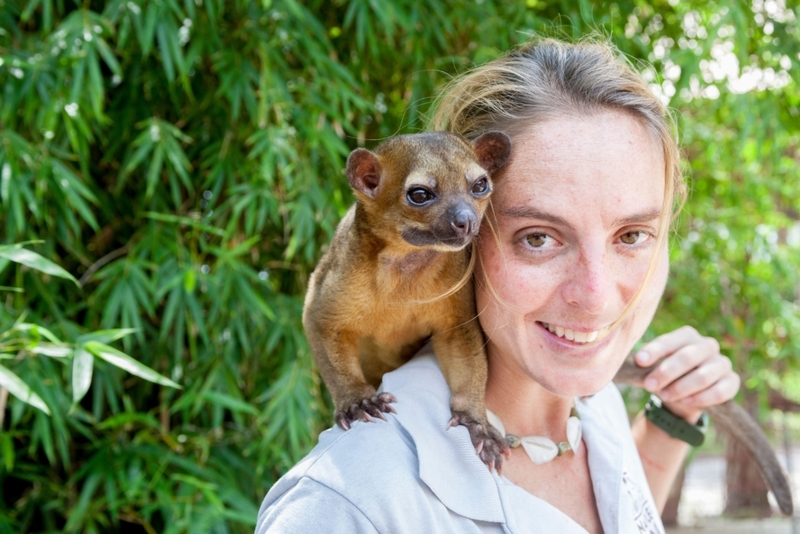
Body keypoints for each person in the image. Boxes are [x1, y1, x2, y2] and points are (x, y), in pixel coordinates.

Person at [255, 37, 740, 533]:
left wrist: (674, 419)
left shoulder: (594, 406)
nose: (594, 296)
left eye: (633, 235)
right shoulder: (349, 503)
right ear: (465, 243)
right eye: (537, 238)